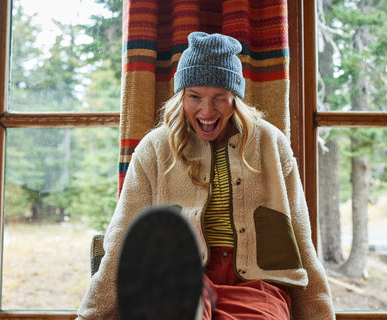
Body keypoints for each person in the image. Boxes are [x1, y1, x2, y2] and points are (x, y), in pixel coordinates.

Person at [76, 31, 335, 320]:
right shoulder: (154, 148)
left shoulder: (270, 144)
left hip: (256, 285)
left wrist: (320, 315)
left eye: (220, 98)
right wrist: (89, 317)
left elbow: (300, 239)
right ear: (181, 96)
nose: (207, 111)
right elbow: (122, 238)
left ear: (235, 97)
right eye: (194, 97)